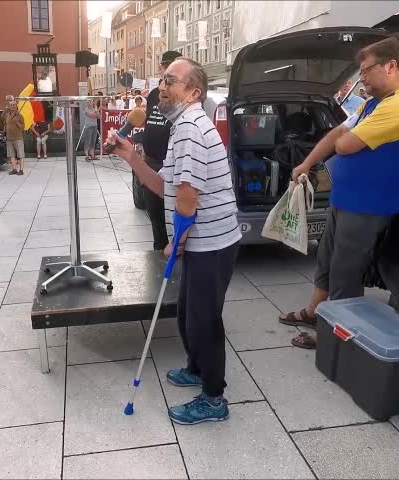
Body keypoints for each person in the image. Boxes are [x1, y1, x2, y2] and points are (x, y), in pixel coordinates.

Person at [108, 57, 241, 425]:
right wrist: (131, 156)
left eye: (172, 81)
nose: (163, 87)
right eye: (162, 81)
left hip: (211, 244)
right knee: (187, 312)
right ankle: (197, 368)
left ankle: (214, 399)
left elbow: (186, 195)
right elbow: (164, 183)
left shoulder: (191, 128)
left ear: (193, 92)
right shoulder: (183, 126)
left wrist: (176, 243)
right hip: (203, 242)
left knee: (204, 320)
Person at [281, 37, 399, 349]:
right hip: (346, 198)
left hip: (368, 203)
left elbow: (345, 144)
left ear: (391, 66)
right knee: (327, 259)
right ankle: (313, 312)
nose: (361, 78)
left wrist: (344, 140)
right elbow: (338, 133)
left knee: (345, 272)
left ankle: (333, 337)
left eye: (366, 70)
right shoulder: (375, 101)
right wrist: (307, 162)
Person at [141, 50, 183, 252]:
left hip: (172, 166)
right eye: (165, 66)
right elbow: (149, 124)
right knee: (156, 221)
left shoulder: (182, 98)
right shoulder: (152, 96)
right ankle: (159, 258)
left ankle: (175, 256)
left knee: (173, 222)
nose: (167, 71)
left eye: (173, 67)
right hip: (152, 162)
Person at [0, 98, 25, 175]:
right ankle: (14, 169)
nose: (12, 106)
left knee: (20, 155)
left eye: (14, 105)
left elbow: (23, 127)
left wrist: (17, 122)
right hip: (9, 138)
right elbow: (1, 120)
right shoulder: (7, 115)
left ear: (16, 105)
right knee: (11, 155)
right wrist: (4, 110)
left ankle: (21, 170)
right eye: (11, 105)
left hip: (18, 138)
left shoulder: (20, 116)